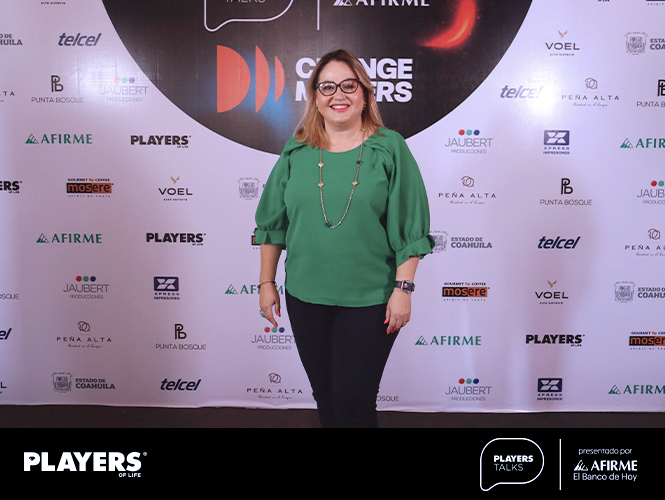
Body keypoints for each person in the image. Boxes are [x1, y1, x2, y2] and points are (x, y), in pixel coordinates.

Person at [254, 49, 434, 428]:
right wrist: (266, 282)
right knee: (326, 395)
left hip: (370, 299)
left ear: (365, 94)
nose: (338, 94)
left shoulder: (389, 147)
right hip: (305, 297)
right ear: (316, 98)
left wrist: (404, 288)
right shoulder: (297, 149)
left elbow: (410, 225)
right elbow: (272, 222)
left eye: (349, 85)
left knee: (355, 401)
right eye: (327, 87)